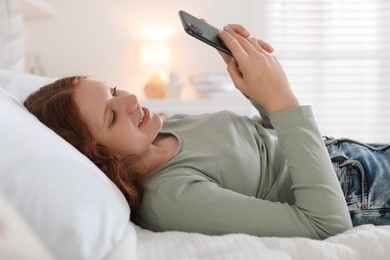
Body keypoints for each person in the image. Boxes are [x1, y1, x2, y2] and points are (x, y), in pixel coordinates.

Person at [23, 24, 390, 239]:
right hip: (358, 193)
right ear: (99, 159)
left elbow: (265, 141)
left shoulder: (160, 128)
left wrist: (256, 91)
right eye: (111, 115)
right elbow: (326, 225)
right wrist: (283, 100)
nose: (131, 99)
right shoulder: (172, 197)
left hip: (348, 154)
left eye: (115, 91)